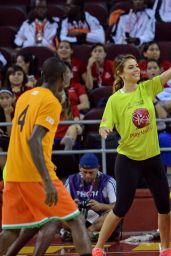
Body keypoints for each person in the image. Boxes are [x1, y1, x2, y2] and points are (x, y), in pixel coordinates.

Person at [0, 57, 92, 256]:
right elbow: (34, 140)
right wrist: (47, 181)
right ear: (63, 77)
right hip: (35, 174)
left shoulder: (24, 96)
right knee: (76, 220)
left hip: (14, 170)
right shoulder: (51, 101)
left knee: (11, 231)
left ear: (42, 75)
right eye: (67, 74)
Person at [92, 54, 171, 256]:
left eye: (137, 66)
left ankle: (165, 248)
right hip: (128, 160)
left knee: (164, 206)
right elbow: (105, 123)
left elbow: (166, 75)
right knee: (121, 208)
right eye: (130, 67)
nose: (136, 69)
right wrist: (104, 130)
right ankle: (99, 247)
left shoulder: (147, 88)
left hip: (152, 157)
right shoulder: (115, 100)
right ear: (121, 73)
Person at [60, 153, 122, 242]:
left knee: (115, 213)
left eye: (91, 172)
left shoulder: (108, 181)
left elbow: (118, 206)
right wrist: (72, 205)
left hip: (99, 220)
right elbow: (62, 204)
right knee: (61, 212)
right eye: (84, 172)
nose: (88, 175)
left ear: (98, 168)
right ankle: (89, 235)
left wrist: (102, 206)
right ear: (79, 168)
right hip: (79, 219)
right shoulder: (71, 180)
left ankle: (86, 232)